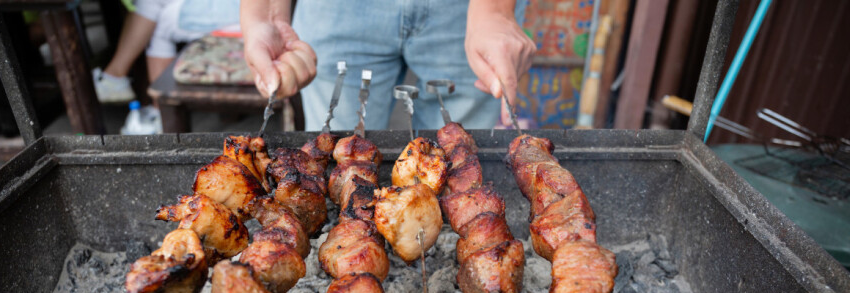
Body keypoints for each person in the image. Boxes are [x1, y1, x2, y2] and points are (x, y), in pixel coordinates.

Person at [240, 0, 534, 131]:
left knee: (458, 164)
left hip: (466, 9)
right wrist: (268, 14)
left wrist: (495, 10)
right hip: (338, 7)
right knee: (339, 154)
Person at [94, 0, 241, 103]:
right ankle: (115, 78)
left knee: (158, 20)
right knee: (149, 6)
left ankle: (161, 115)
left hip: (241, 11)